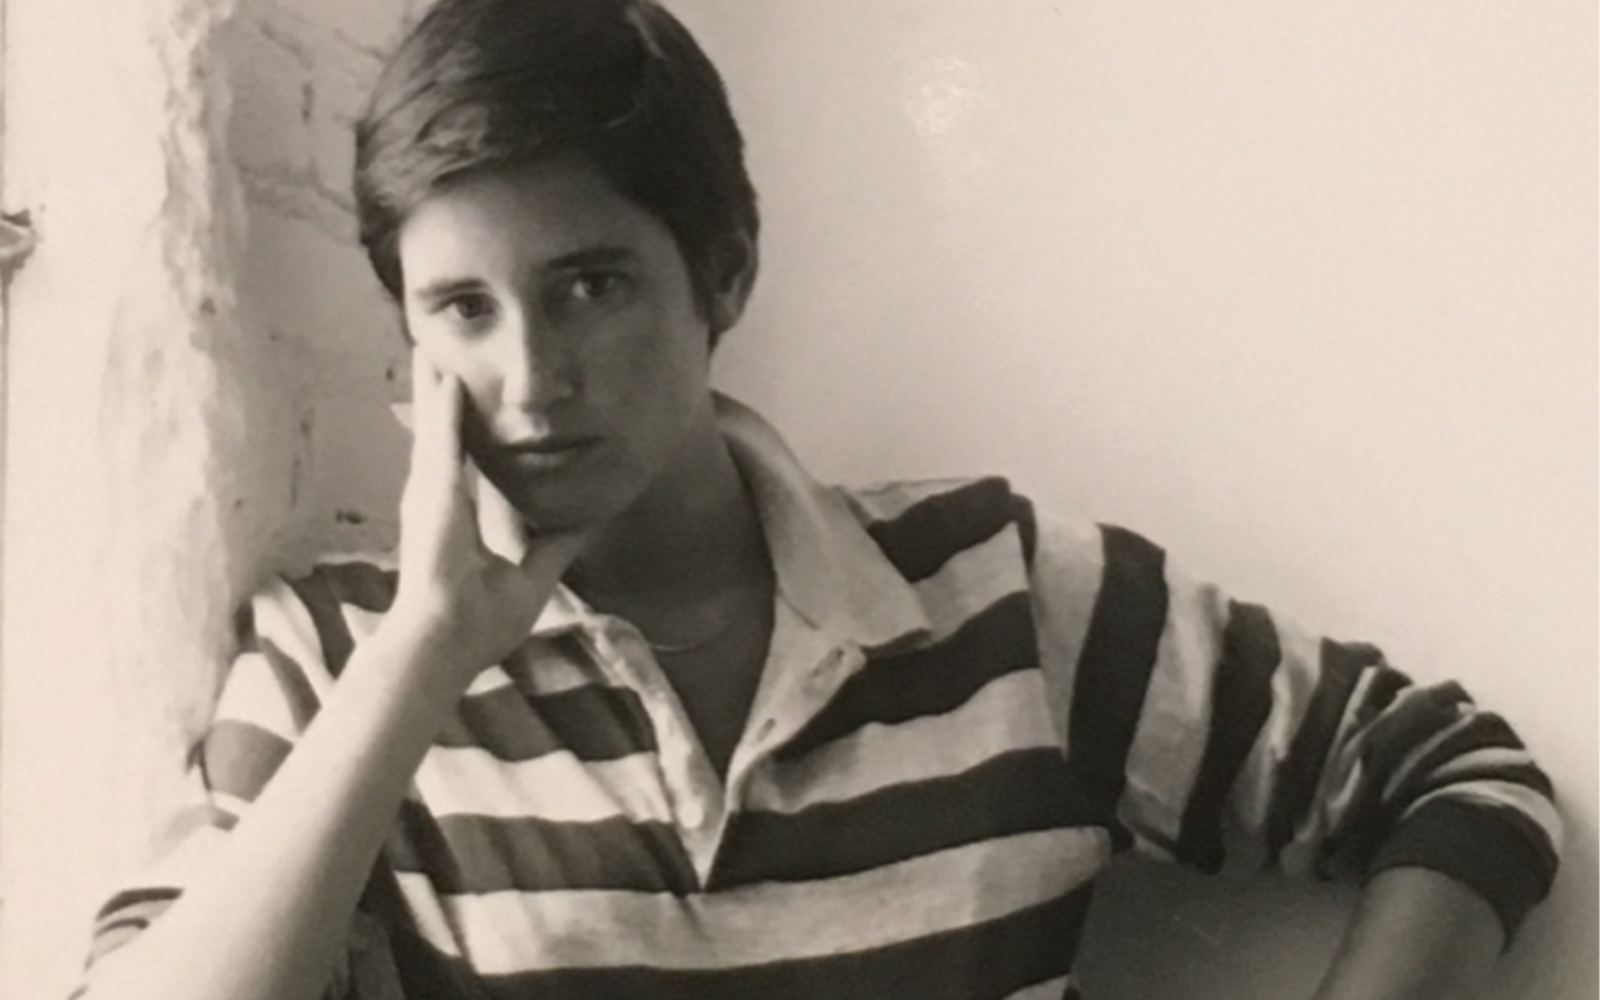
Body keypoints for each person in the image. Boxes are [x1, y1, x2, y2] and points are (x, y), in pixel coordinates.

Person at [70, 1, 1561, 998]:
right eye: (462, 308)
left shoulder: (999, 594)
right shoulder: (339, 658)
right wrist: (423, 657)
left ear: (721, 275)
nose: (529, 379)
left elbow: (1461, 777)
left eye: (591, 286)